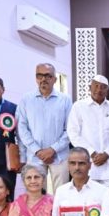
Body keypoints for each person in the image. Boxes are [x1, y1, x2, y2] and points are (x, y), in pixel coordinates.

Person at [17, 63, 73, 192]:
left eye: (48, 76)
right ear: (36, 78)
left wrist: (52, 149)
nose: (43, 79)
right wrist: (37, 151)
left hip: (59, 156)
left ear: (54, 79)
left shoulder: (65, 99)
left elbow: (70, 129)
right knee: (35, 194)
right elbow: (22, 128)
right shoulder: (26, 99)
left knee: (62, 194)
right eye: (40, 75)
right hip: (34, 157)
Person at [67, 75, 109, 187]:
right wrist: (91, 153)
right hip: (88, 165)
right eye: (96, 86)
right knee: (89, 197)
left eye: (103, 87)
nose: (99, 89)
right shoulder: (79, 107)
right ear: (90, 87)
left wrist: (107, 154)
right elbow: (73, 133)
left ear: (107, 90)